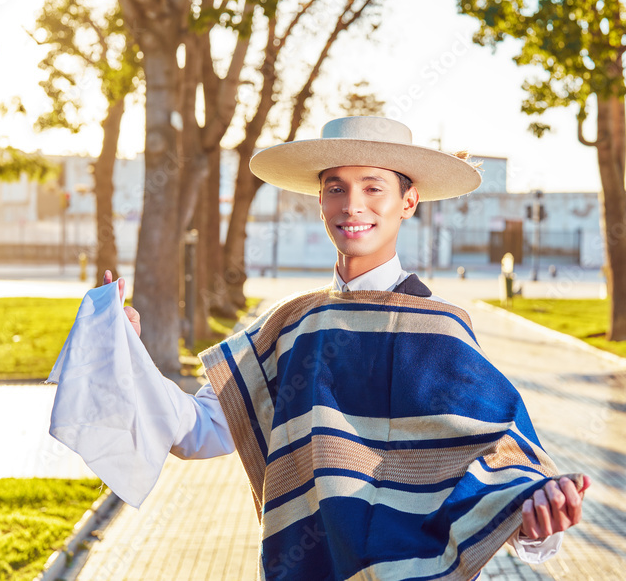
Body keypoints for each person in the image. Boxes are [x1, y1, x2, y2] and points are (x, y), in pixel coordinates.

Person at [102, 116, 589, 579]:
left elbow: (504, 464)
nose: (352, 204)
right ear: (320, 201)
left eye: (373, 186)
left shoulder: (439, 332)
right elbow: (198, 431)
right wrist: (128, 359)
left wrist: (535, 522)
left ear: (409, 200)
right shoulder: (288, 326)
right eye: (336, 187)